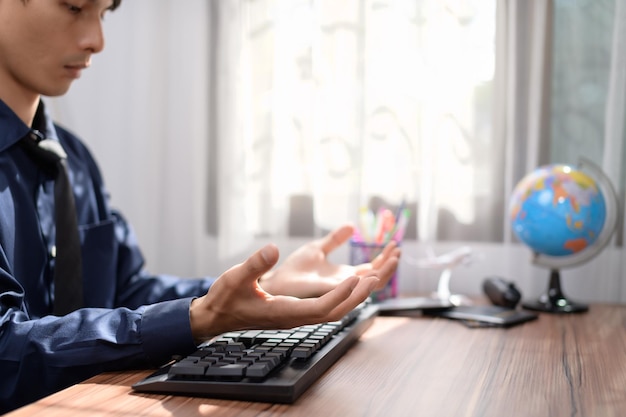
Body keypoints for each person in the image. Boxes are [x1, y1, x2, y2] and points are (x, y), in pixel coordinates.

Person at [0, 0, 400, 413]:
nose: (97, 41)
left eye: (104, 14)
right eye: (75, 7)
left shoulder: (73, 160)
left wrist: (264, 288)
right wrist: (198, 319)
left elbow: (127, 292)